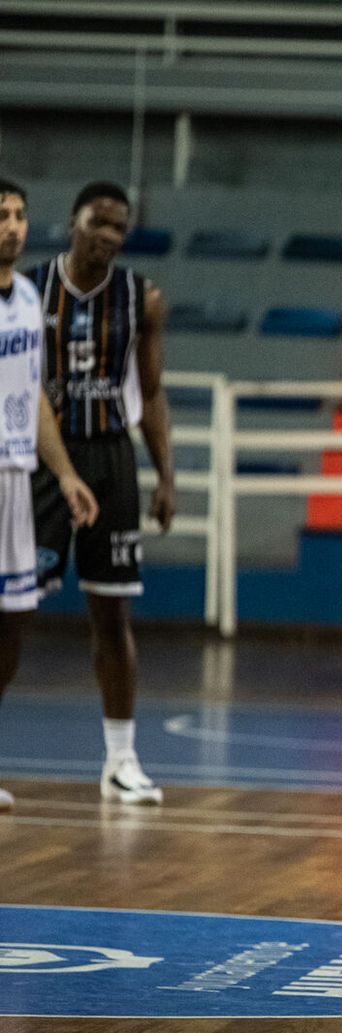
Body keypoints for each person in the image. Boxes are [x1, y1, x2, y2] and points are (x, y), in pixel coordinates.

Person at [27, 180, 174, 805]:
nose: (110, 237)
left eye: (120, 228)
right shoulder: (29, 291)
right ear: (72, 223)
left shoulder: (142, 298)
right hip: (42, 461)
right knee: (10, 615)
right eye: (100, 223)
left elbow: (153, 391)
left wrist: (166, 474)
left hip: (112, 459)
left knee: (112, 616)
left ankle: (121, 760)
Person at [0, 178, 100, 809]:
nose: (12, 225)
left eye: (18, 215)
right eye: (0, 215)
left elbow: (34, 394)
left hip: (15, 474)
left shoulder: (30, 297)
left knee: (17, 620)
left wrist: (63, 472)